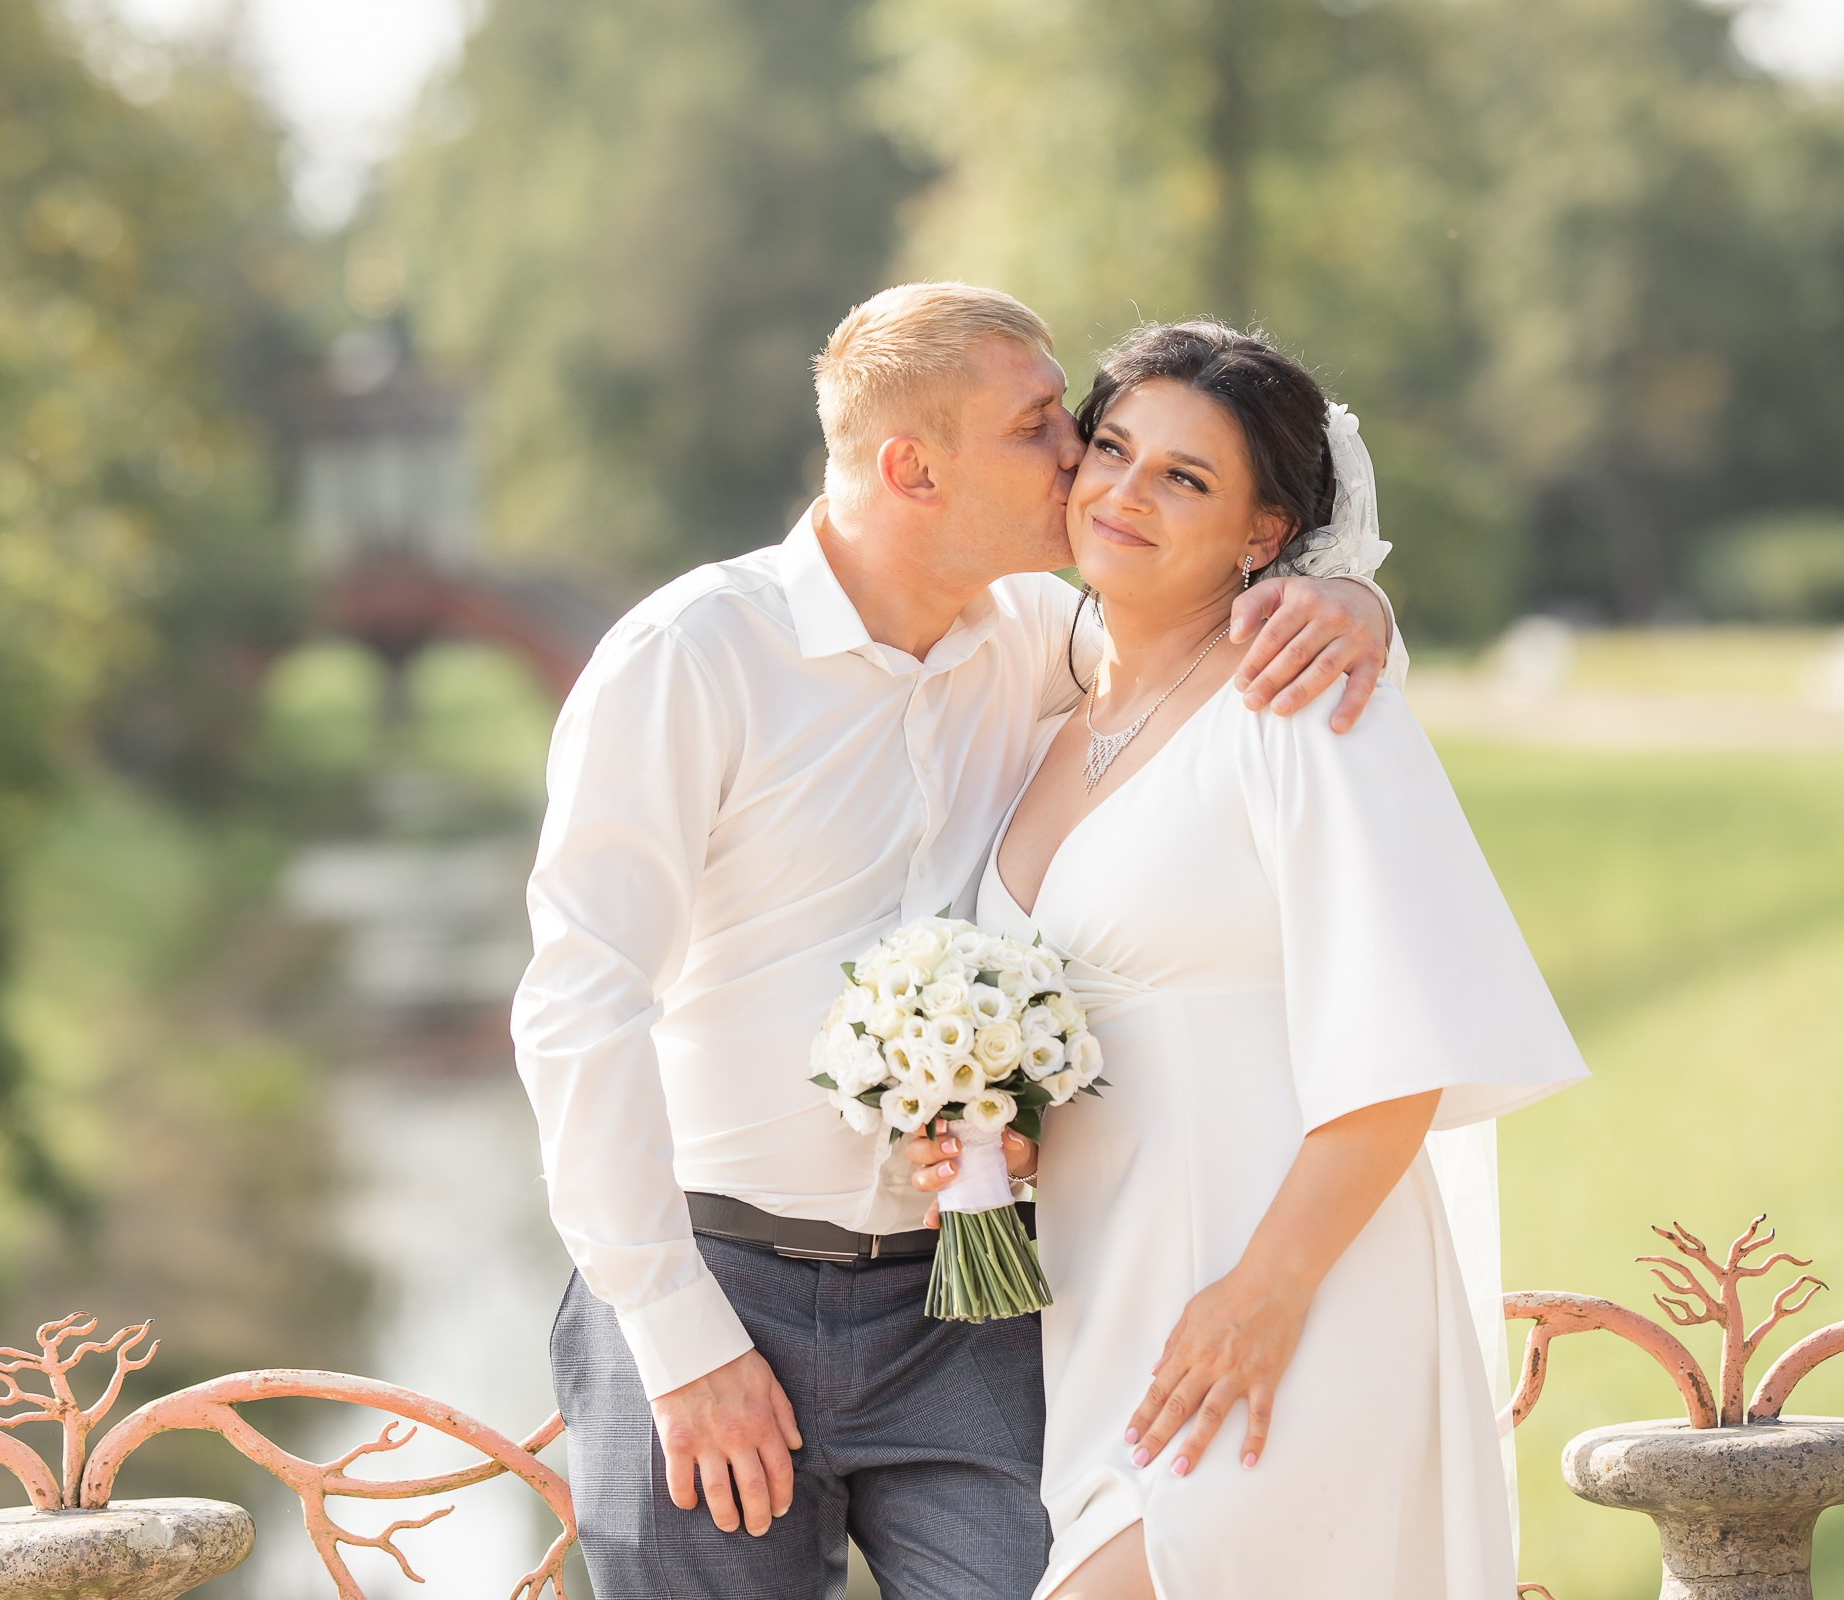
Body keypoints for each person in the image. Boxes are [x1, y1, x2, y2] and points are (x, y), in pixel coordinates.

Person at [510, 283, 1404, 1599]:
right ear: (913, 466)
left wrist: (1360, 612)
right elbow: (579, 1006)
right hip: (713, 1285)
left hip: (968, 1301)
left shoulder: (1045, 640)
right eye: (1041, 424)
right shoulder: (691, 656)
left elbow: (1221, 622)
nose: (1081, 455)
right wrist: (678, 1336)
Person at [906, 320, 1588, 1598]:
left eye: (1186, 478)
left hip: (1291, 1296)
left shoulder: (1303, 700)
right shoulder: (1042, 719)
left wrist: (1262, 1297)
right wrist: (991, 1125)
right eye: (1111, 449)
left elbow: (1406, 1047)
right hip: (1104, 1307)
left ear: (1265, 534)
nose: (1123, 491)